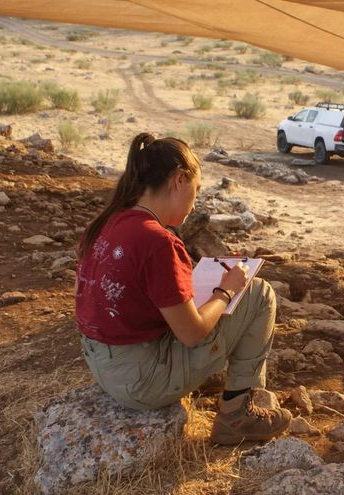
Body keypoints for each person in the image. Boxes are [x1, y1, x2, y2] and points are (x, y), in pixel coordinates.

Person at [75, 133, 290, 445]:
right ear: (178, 180)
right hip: (142, 383)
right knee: (258, 293)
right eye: (196, 188)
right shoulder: (157, 241)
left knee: (224, 297)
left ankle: (210, 379)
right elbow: (192, 333)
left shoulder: (107, 222)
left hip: (107, 369)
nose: (195, 200)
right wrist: (225, 292)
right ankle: (237, 414)